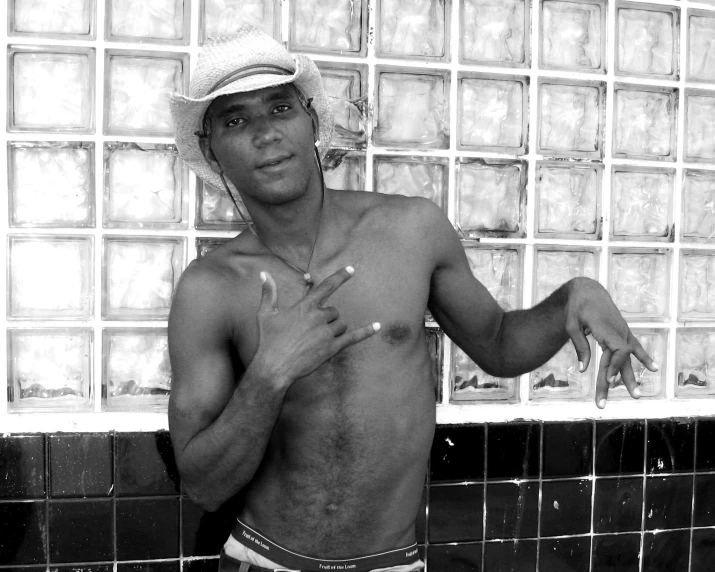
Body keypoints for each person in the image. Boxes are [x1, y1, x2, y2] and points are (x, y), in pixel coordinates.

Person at [167, 25, 657, 572]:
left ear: (311, 120)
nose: (264, 134)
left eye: (280, 108)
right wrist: (269, 375)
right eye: (235, 120)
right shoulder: (209, 288)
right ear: (212, 149)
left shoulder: (411, 230)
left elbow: (497, 345)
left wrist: (573, 297)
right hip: (263, 560)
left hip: (394, 561)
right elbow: (203, 486)